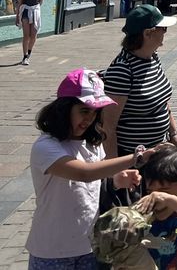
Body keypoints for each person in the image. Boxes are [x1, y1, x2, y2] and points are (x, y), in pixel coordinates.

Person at [25, 68, 152, 270]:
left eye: (95, 113)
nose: (89, 119)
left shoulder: (92, 143)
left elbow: (96, 181)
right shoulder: (46, 147)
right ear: (64, 109)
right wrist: (137, 157)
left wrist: (118, 179)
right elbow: (83, 173)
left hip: (92, 246)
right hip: (52, 250)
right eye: (84, 111)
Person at [101, 5, 177, 159]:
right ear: (148, 33)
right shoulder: (122, 70)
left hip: (159, 151)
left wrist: (173, 133)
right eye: (163, 28)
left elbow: (162, 101)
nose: (165, 33)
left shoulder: (152, 57)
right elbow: (108, 127)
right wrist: (116, 172)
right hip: (133, 159)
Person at [15, 0, 43, 65]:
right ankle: (25, 56)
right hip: (26, 12)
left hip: (35, 12)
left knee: (33, 35)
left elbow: (40, 2)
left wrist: (35, 10)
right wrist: (17, 16)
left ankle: (29, 52)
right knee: (26, 35)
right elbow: (19, 3)